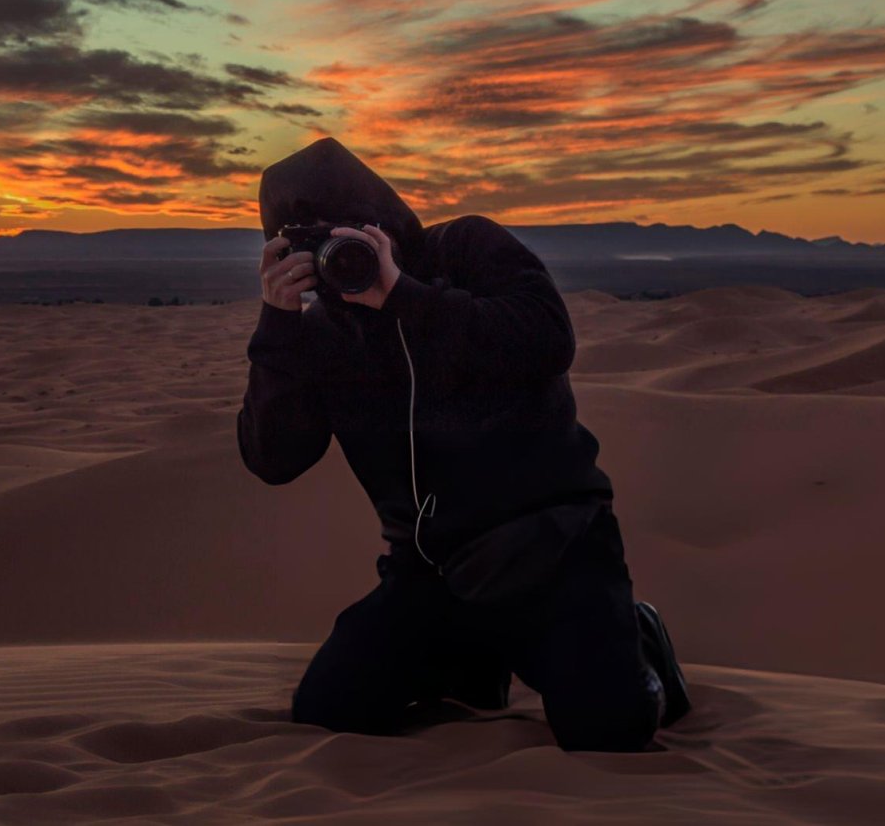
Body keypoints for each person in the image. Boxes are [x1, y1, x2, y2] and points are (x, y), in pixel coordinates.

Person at [237, 136, 691, 752]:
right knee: (327, 710)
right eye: (316, 244)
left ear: (380, 219)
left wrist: (403, 297)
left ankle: (640, 640)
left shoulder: (469, 248)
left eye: (350, 232)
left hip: (556, 550)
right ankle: (470, 660)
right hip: (431, 573)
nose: (342, 253)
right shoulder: (320, 336)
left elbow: (549, 338)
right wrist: (278, 328)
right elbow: (274, 460)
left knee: (609, 732)